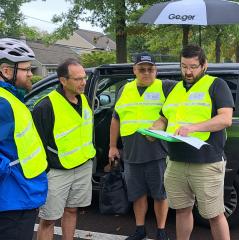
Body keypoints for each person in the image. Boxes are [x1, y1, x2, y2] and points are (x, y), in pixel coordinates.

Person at [151, 45, 233, 240]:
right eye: (184, 66)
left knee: (214, 214)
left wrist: (193, 127)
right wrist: (155, 128)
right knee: (181, 211)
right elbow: (164, 118)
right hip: (176, 161)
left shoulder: (217, 84)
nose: (188, 71)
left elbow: (225, 119)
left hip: (206, 162)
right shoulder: (175, 89)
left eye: (193, 67)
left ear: (204, 65)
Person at [108, 52, 175, 240]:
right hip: (131, 154)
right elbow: (115, 119)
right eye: (142, 69)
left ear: (156, 70)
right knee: (137, 194)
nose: (146, 73)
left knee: (160, 194)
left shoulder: (166, 87)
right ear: (134, 70)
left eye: (150, 69)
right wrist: (113, 147)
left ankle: (161, 231)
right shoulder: (124, 89)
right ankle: (140, 229)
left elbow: (180, 107)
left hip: (157, 153)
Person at [33, 58, 96, 240]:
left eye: (84, 78)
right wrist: (45, 172)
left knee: (71, 210)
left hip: (82, 166)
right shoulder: (45, 106)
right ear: (63, 80)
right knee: (48, 219)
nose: (83, 82)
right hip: (57, 172)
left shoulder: (83, 100)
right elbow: (37, 145)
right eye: (77, 79)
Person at [0, 38, 48, 240]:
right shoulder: (3, 103)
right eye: (26, 69)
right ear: (6, 70)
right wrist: (8, 170)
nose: (30, 74)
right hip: (12, 200)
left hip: (20, 196)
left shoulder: (10, 98)